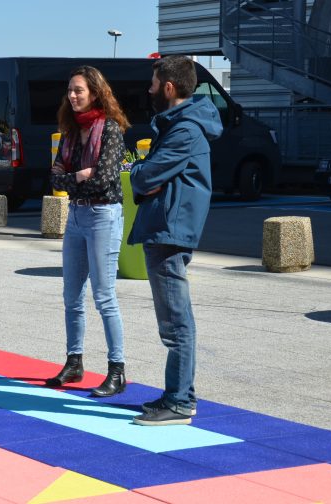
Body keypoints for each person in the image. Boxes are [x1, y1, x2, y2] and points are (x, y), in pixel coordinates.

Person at [128, 55, 223, 426]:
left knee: (176, 323)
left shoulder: (185, 129)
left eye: (153, 83)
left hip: (170, 229)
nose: (149, 90)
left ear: (169, 87)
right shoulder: (178, 124)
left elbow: (145, 176)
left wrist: (137, 171)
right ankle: (179, 394)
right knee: (174, 321)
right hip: (166, 226)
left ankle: (180, 401)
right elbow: (150, 178)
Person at [45, 66, 132, 397]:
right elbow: (55, 179)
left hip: (102, 216)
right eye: (69, 90)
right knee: (71, 296)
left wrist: (76, 177)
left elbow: (106, 178)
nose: (72, 95)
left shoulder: (110, 129)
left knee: (104, 295)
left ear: (95, 92)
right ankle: (74, 361)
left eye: (78, 90)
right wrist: (79, 175)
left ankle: (117, 369)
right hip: (77, 216)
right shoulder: (69, 133)